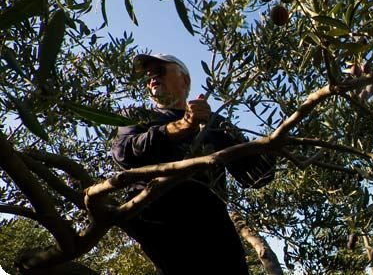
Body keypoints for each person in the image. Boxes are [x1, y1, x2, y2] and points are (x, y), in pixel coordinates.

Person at [111, 53, 275, 274]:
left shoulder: (213, 123)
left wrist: (272, 146)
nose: (151, 78)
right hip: (162, 226)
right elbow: (124, 154)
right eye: (148, 75)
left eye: (159, 71)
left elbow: (257, 176)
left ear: (184, 80)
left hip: (214, 230)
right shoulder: (135, 115)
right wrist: (181, 127)